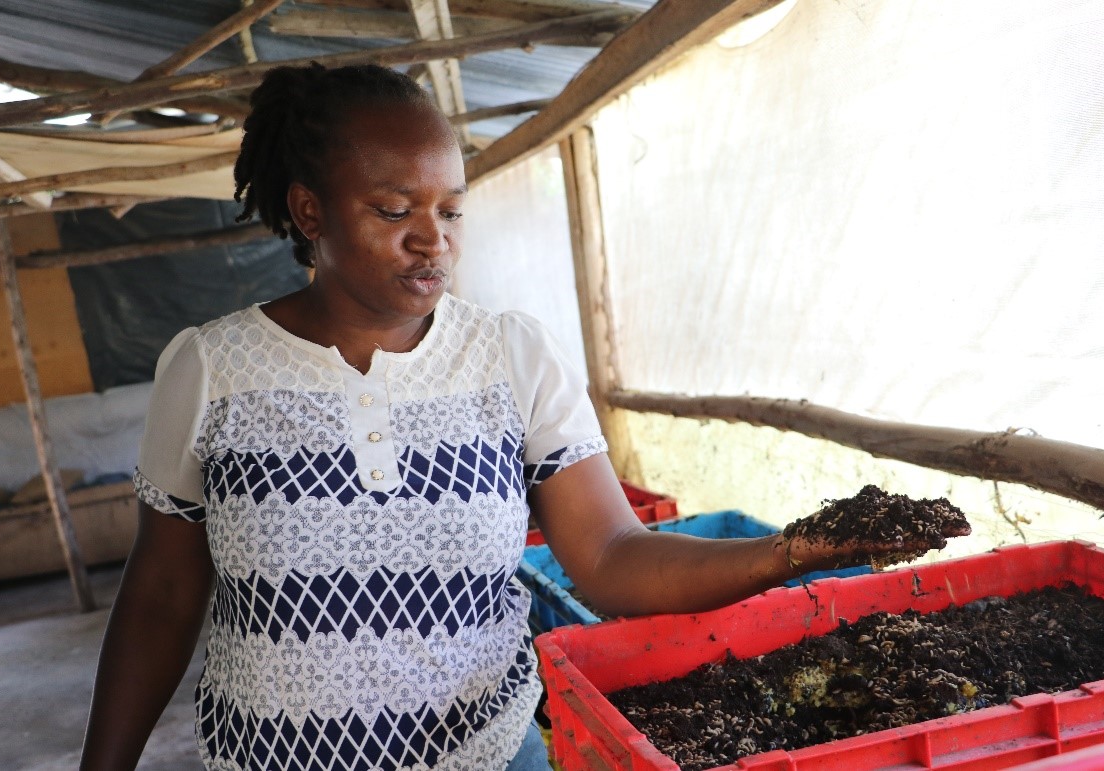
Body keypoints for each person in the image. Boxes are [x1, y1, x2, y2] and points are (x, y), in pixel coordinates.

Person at [80, 63, 966, 771]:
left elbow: (612, 559)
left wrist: (790, 551)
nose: (434, 239)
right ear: (310, 211)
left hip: (486, 751)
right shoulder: (210, 368)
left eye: (451, 210)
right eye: (394, 211)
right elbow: (161, 594)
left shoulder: (507, 355)